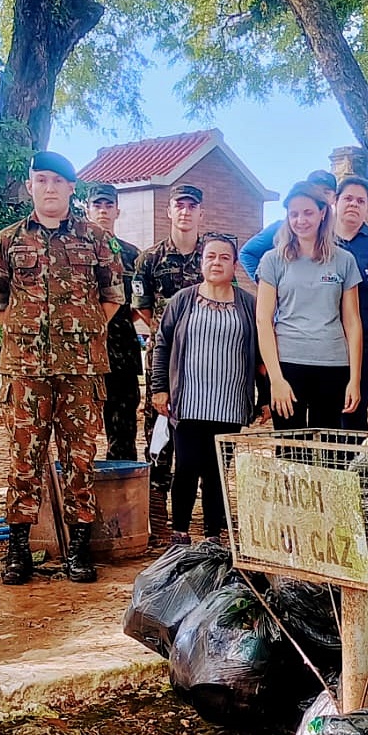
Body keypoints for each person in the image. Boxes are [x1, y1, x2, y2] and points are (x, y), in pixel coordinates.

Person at [0, 151, 125, 585]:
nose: (49, 187)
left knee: (79, 459)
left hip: (81, 371)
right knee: (23, 459)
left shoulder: (97, 239)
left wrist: (83, 331)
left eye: (57, 181)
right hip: (25, 373)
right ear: (30, 185)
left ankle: (79, 548)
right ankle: (18, 549)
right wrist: (29, 333)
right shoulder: (6, 241)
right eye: (41, 179)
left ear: (70, 189)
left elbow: (113, 295)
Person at [151, 235, 264, 544]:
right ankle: (180, 533)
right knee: (186, 466)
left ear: (235, 265)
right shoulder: (183, 300)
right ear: (201, 263)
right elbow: (162, 345)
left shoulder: (248, 304)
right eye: (210, 257)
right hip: (188, 401)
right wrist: (160, 388)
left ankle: (214, 536)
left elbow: (262, 354)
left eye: (224, 258)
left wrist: (264, 396)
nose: (216, 263)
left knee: (216, 471)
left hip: (229, 401)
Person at [134, 184, 210, 539]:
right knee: (160, 434)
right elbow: (143, 307)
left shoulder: (210, 255)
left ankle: (208, 518)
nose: (185, 212)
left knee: (202, 435)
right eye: (179, 206)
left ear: (200, 213)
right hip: (165, 358)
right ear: (169, 211)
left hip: (208, 359)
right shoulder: (149, 259)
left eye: (191, 206)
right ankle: (158, 519)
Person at [256, 181, 363, 430]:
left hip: (333, 365)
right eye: (294, 214)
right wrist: (276, 378)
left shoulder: (344, 260)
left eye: (307, 213)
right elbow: (263, 320)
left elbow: (353, 322)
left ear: (323, 213)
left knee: (328, 451)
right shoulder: (273, 260)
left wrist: (354, 379)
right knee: (291, 452)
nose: (300, 220)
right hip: (288, 364)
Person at [84, 182, 143, 462]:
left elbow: (137, 306)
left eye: (109, 205)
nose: (103, 211)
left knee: (123, 435)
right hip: (81, 356)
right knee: (79, 434)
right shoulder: (74, 250)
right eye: (98, 205)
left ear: (118, 211)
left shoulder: (133, 256)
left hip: (121, 355)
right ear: (87, 209)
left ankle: (122, 501)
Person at [332, 174, 368, 427]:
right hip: (326, 338)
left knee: (354, 410)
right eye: (348, 198)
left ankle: (355, 466)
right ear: (335, 202)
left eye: (360, 201)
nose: (353, 204)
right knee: (330, 411)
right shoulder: (319, 239)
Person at [238, 169, 340, 280]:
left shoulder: (340, 233)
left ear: (335, 198)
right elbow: (247, 253)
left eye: (326, 192)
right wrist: (265, 285)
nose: (321, 197)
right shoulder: (280, 228)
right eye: (315, 191)